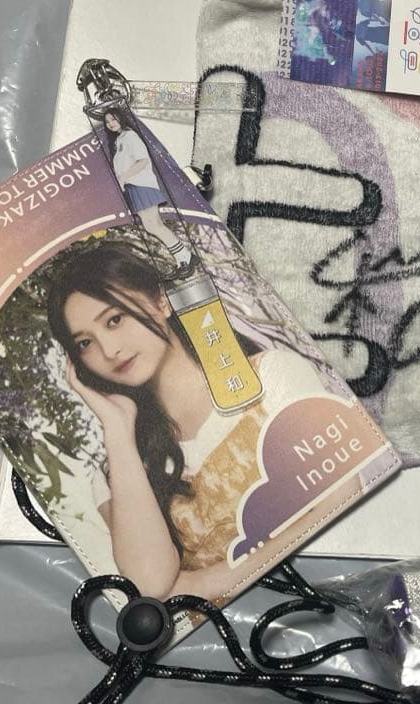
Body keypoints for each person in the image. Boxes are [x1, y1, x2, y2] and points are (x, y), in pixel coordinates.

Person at [46, 242, 328, 600]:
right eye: (85, 343)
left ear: (161, 302)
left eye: (115, 320)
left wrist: (203, 583)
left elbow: (341, 495)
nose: (109, 351)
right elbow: (150, 585)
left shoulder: (270, 379)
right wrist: (117, 430)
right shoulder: (118, 470)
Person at [102, 108, 193, 273]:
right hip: (132, 186)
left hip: (140, 184)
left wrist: (123, 178)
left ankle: (186, 258)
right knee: (153, 225)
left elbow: (143, 161)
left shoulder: (130, 136)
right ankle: (182, 259)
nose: (111, 124)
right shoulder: (120, 140)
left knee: (153, 225)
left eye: (113, 119)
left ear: (120, 118)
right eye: (107, 122)